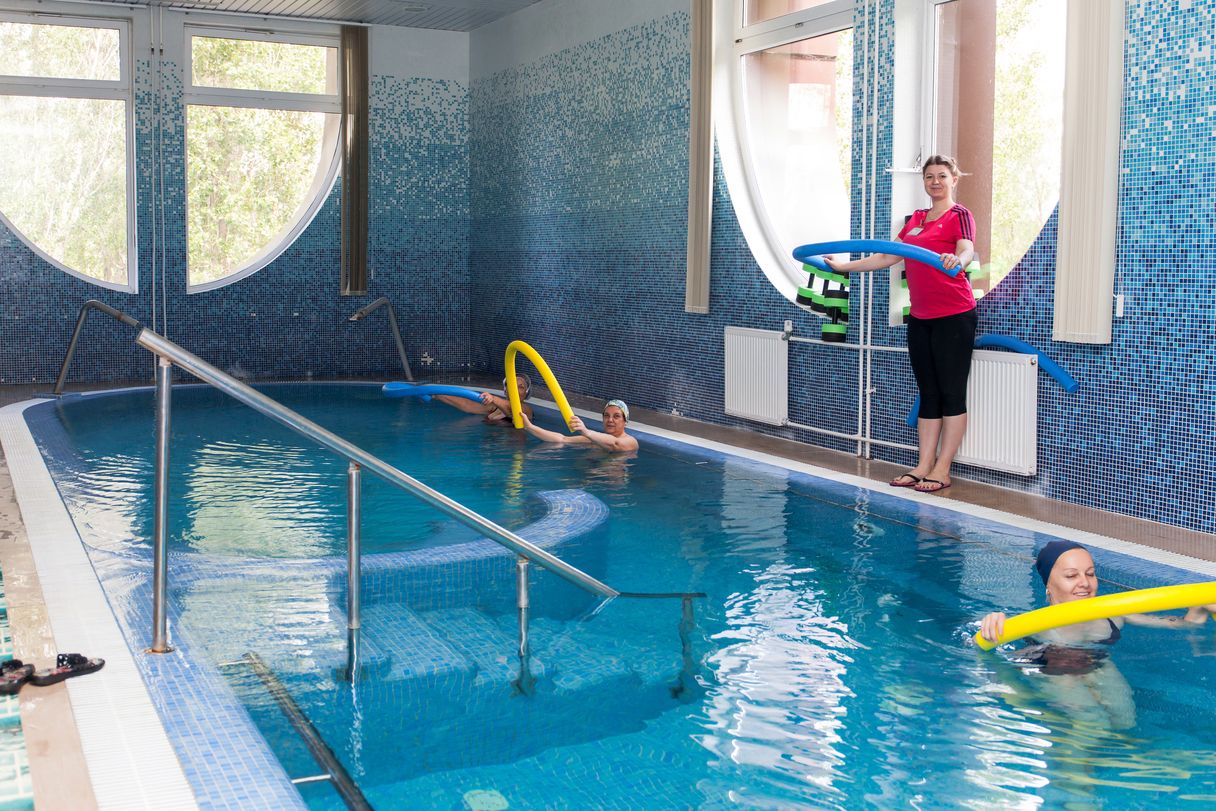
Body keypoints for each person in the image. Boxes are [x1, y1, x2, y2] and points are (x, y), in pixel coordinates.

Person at [824, 155, 977, 494]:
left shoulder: (959, 215)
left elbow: (966, 248)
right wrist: (843, 267)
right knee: (928, 393)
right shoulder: (917, 219)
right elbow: (887, 255)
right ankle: (923, 465)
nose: (935, 182)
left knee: (951, 393)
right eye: (929, 176)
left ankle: (943, 469)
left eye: (942, 176)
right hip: (921, 316)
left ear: (954, 179)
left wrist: (958, 260)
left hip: (954, 314)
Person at [977, 540, 1216, 728]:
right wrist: (992, 624)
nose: (1084, 583)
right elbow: (985, 645)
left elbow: (1176, 625)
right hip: (1052, 666)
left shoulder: (1113, 615)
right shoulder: (1034, 624)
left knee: (1125, 721)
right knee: (1093, 725)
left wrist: (1198, 610)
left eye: (1090, 573)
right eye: (1071, 576)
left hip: (1097, 662)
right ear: (1048, 585)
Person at [519, 399, 639, 453]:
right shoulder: (595, 439)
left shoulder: (631, 441)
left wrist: (586, 432)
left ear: (625, 421)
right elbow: (562, 439)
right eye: (606, 416)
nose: (610, 420)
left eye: (616, 416)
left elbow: (615, 444)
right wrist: (530, 427)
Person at [433, 374, 533, 424]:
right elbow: (468, 405)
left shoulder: (527, 410)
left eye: (521, 387)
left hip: (513, 447)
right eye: (512, 385)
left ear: (526, 392)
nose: (515, 389)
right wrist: (439, 395)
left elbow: (513, 409)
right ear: (505, 390)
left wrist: (493, 398)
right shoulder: (494, 407)